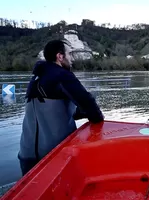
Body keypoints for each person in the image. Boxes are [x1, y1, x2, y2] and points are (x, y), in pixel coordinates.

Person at [17, 39, 104, 176]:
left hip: (26, 155)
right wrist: (98, 118)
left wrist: (78, 113)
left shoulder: (35, 78)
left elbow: (51, 110)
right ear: (60, 56)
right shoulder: (61, 75)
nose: (72, 59)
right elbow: (88, 103)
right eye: (69, 54)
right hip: (52, 154)